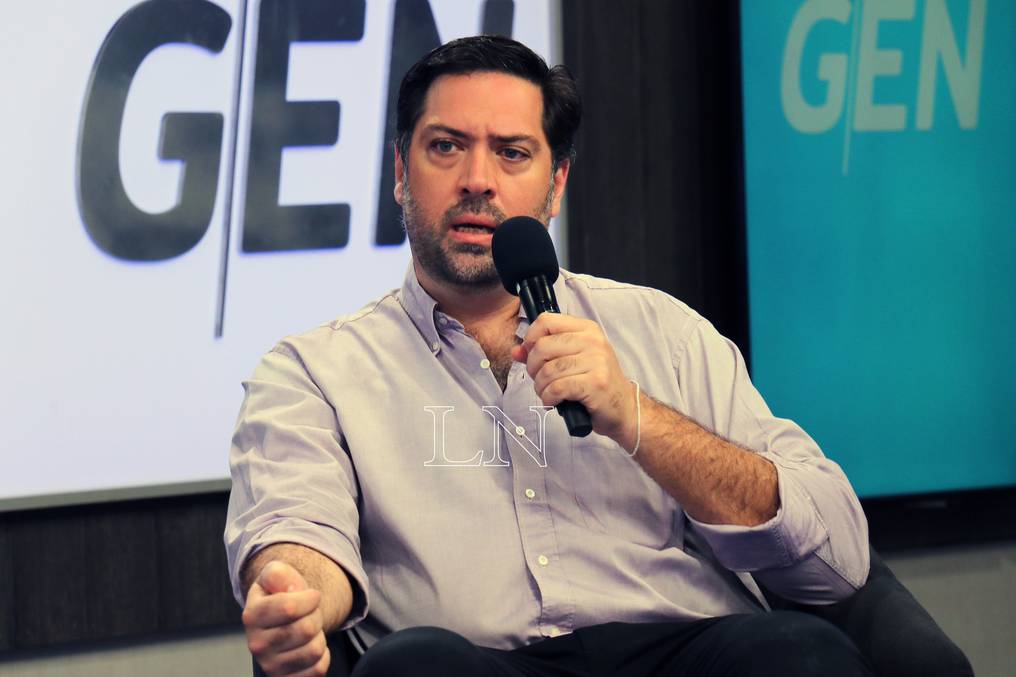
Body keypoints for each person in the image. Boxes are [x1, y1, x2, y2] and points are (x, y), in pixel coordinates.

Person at [225, 35, 872, 677]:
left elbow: (837, 564)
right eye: (446, 146)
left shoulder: (664, 332)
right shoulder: (316, 371)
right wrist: (295, 596)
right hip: (478, 665)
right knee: (414, 667)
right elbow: (299, 531)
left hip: (680, 648)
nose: (477, 181)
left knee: (804, 655)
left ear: (556, 183)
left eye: (512, 153)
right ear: (400, 171)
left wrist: (635, 414)